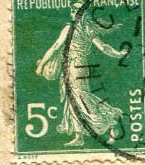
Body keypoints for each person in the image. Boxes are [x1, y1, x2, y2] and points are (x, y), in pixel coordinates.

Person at [36, 0, 125, 147]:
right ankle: (79, 137)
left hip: (76, 66)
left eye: (76, 10)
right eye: (72, 9)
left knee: (81, 97)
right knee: (72, 99)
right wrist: (118, 54)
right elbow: (103, 47)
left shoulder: (78, 28)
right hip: (72, 65)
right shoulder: (83, 28)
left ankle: (112, 120)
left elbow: (55, 47)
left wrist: (40, 66)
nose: (72, 12)